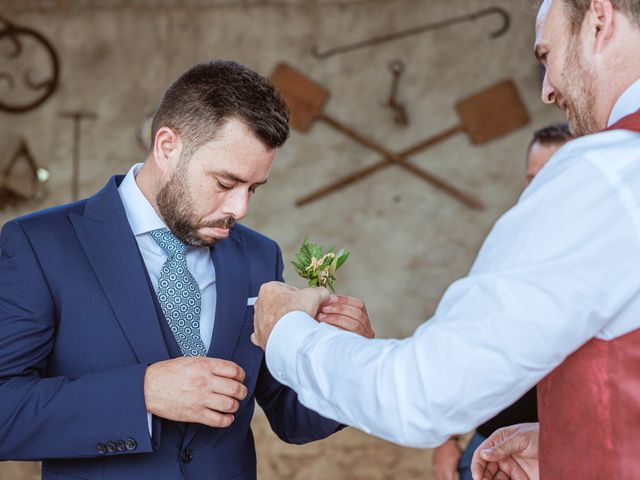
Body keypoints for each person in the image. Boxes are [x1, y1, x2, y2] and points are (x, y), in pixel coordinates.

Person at [251, 1, 640, 478]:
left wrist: (288, 332)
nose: (547, 89)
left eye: (547, 55)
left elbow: (423, 395)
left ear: (598, 22)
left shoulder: (605, 173)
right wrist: (571, 442)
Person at [0, 60, 372, 480]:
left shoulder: (259, 257)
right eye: (225, 183)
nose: (240, 209)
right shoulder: (39, 245)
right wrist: (140, 394)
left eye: (253, 188)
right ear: (167, 146)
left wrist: (344, 358)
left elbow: (291, 416)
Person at [432, 123, 573, 480]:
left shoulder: (599, 257)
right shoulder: (507, 247)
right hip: (490, 443)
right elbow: (464, 340)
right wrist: (444, 438)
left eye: (552, 176)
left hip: (563, 447)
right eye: (531, 179)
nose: (538, 190)